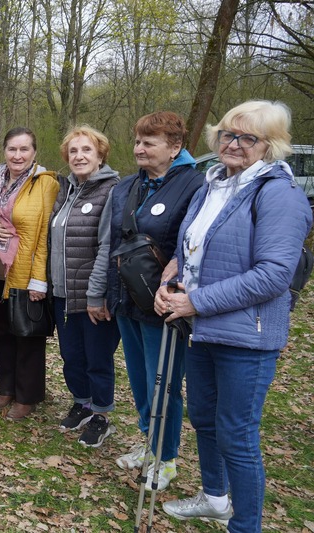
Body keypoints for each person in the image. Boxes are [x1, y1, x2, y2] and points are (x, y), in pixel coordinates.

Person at [157, 100, 312, 532]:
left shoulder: (279, 194)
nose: (235, 144)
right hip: (204, 329)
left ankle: (245, 525)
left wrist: (197, 300)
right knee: (204, 418)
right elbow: (191, 242)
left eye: (249, 137)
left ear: (270, 145)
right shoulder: (213, 184)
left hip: (248, 335)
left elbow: (274, 275)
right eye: (228, 134)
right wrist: (172, 271)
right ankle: (214, 497)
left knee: (237, 435)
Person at [107, 112, 204, 489]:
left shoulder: (195, 186)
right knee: (139, 379)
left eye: (150, 142)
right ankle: (148, 440)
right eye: (137, 142)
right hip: (126, 298)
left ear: (175, 147)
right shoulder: (128, 185)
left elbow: (193, 245)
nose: (140, 149)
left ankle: (166, 457)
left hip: (163, 303)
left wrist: (177, 276)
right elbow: (114, 241)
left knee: (163, 382)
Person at [50, 126, 121, 447]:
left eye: (86, 150)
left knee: (97, 358)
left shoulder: (111, 191)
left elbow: (107, 247)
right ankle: (83, 404)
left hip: (94, 296)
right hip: (62, 293)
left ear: (100, 155)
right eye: (74, 151)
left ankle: (102, 416)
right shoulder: (64, 191)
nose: (79, 156)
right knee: (71, 355)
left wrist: (97, 293)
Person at [0, 127, 59, 420]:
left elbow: (44, 235)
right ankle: (7, 388)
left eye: (24, 149)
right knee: (0, 330)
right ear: (4, 151)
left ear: (34, 153)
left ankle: (27, 396)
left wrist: (39, 278)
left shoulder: (45, 183)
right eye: (12, 149)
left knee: (27, 334)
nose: (17, 155)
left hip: (27, 269)